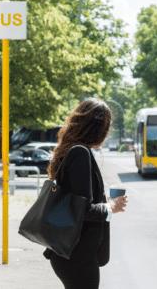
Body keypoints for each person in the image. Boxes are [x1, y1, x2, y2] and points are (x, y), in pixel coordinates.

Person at [43, 98, 128, 289]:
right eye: (107, 126)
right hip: (77, 256)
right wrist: (111, 207)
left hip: (69, 254)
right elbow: (83, 209)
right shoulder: (80, 153)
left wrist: (104, 202)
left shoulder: (73, 150)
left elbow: (77, 200)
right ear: (99, 127)